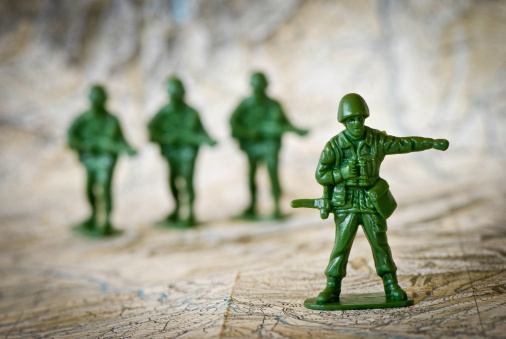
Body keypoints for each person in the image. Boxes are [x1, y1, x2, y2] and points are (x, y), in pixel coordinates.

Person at [312, 93, 449, 304]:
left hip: (370, 201)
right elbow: (321, 175)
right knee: (341, 246)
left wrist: (431, 143)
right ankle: (332, 287)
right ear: (344, 121)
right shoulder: (334, 146)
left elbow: (405, 144)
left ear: (365, 118)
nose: (356, 123)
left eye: (359, 118)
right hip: (346, 203)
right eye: (351, 119)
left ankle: (391, 285)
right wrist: (342, 174)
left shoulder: (376, 140)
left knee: (380, 244)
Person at [230, 72, 308, 219]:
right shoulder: (245, 104)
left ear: (266, 85)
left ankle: (276, 205)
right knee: (252, 175)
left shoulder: (274, 104)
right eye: (255, 84)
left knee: (273, 174)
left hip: (270, 145)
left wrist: (296, 130)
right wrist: (248, 133)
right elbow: (233, 122)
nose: (258, 87)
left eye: (261, 84)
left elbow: (284, 123)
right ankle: (252, 204)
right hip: (252, 146)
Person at [68, 85, 137, 235]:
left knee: (105, 189)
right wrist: (86, 145)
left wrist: (128, 149)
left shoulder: (112, 120)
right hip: (90, 160)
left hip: (107, 160)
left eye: (100, 98)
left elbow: (120, 140)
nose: (97, 102)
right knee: (89, 188)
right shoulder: (83, 119)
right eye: (94, 98)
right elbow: (72, 138)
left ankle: (106, 220)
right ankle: (93, 215)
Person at [148, 77, 216, 227]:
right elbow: (152, 130)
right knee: (172, 181)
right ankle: (177, 208)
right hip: (171, 153)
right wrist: (165, 138)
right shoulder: (164, 112)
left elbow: (201, 131)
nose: (175, 95)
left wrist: (208, 140)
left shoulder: (191, 112)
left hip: (188, 152)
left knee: (188, 181)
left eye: (178, 91)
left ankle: (190, 211)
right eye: (172, 91)